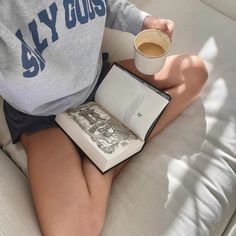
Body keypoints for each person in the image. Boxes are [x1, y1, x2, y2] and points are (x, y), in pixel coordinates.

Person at [0, 0, 208, 235]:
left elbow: (103, 6)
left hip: (99, 82)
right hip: (43, 117)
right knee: (75, 230)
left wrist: (143, 21)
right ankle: (110, 156)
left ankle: (108, 152)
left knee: (193, 72)